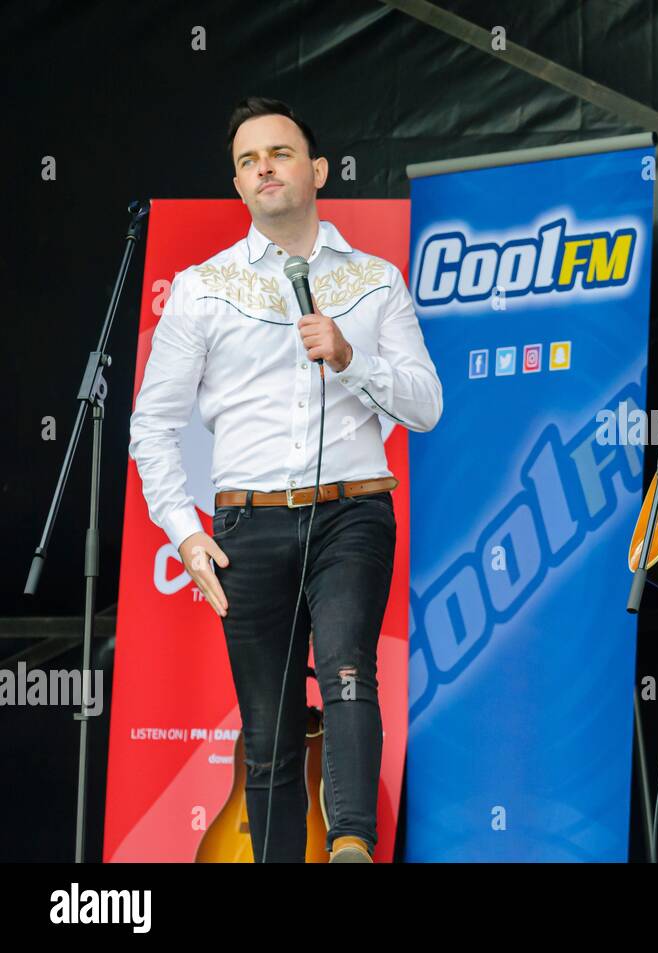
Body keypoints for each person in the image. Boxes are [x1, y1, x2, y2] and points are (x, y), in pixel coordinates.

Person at [129, 97, 442, 863]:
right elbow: (151, 423)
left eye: (279, 152)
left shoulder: (375, 280)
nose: (263, 167)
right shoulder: (203, 288)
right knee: (268, 734)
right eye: (247, 160)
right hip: (246, 524)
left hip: (353, 510)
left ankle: (351, 846)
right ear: (238, 186)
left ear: (318, 170)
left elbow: (427, 405)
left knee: (346, 671)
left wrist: (349, 357)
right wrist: (185, 530)